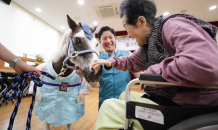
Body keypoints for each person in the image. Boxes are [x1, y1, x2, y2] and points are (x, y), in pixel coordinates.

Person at [91, 0, 218, 129]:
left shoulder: (173, 26)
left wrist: (152, 72)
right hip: (168, 97)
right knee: (124, 95)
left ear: (141, 22)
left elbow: (205, 65)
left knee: (107, 108)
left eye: (126, 27)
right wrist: (111, 62)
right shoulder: (149, 43)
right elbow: (131, 61)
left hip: (190, 102)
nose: (128, 35)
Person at [76, 26, 141, 109]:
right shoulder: (97, 59)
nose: (108, 41)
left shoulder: (128, 55)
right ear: (99, 41)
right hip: (105, 102)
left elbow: (138, 75)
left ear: (115, 38)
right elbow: (94, 84)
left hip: (124, 101)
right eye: (104, 38)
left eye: (111, 37)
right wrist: (85, 75)